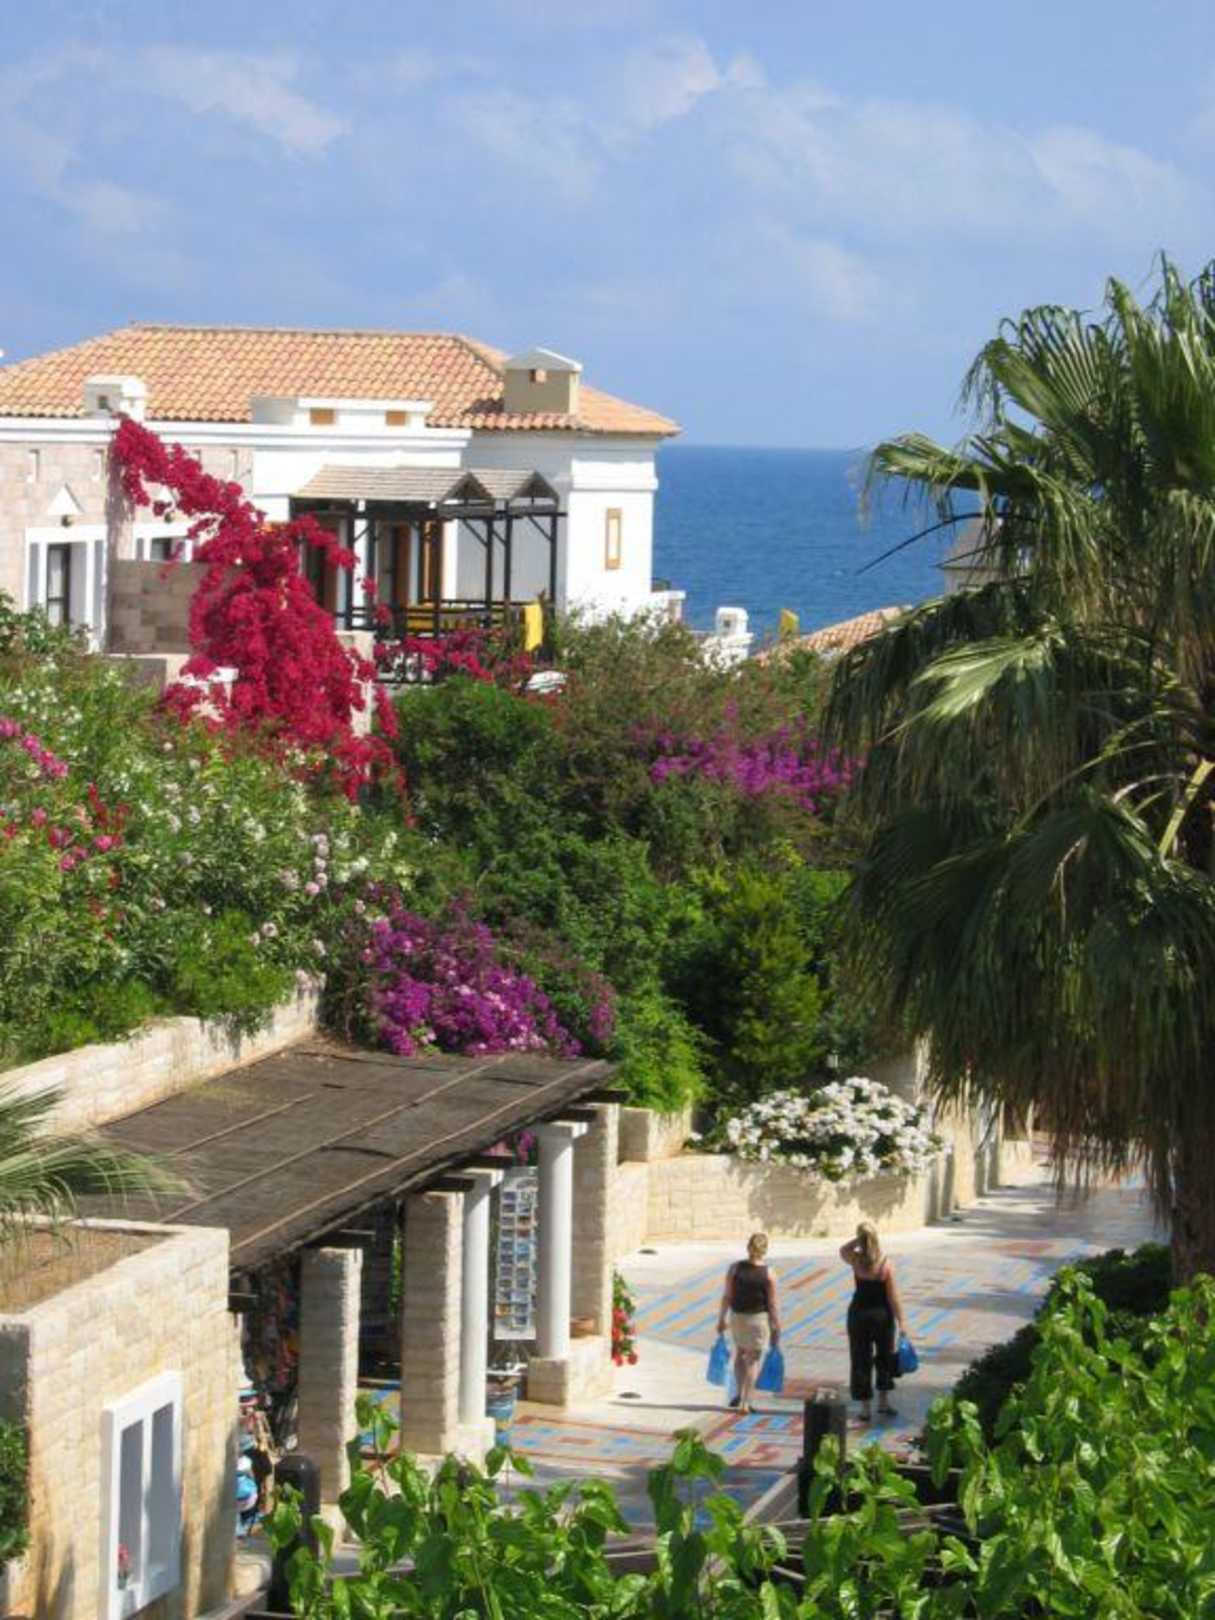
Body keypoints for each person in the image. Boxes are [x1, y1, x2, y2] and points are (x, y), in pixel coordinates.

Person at [840, 1221, 907, 1423]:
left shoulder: (856, 1259)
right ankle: (883, 1402)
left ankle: (865, 1408)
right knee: (884, 1357)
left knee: (860, 1359)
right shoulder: (885, 1264)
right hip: (882, 1316)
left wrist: (859, 1240)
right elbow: (893, 1297)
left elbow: (842, 1250)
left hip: (858, 1315)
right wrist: (902, 1322)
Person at [715, 1232, 781, 1415]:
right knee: (753, 1360)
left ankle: (738, 1394)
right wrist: (776, 1325)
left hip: (737, 1317)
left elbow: (727, 1296)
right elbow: (772, 1304)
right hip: (758, 1320)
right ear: (765, 1250)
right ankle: (746, 1401)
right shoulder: (769, 1273)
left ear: (748, 1247)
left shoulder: (735, 1269)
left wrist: (721, 1319)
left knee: (740, 1354)